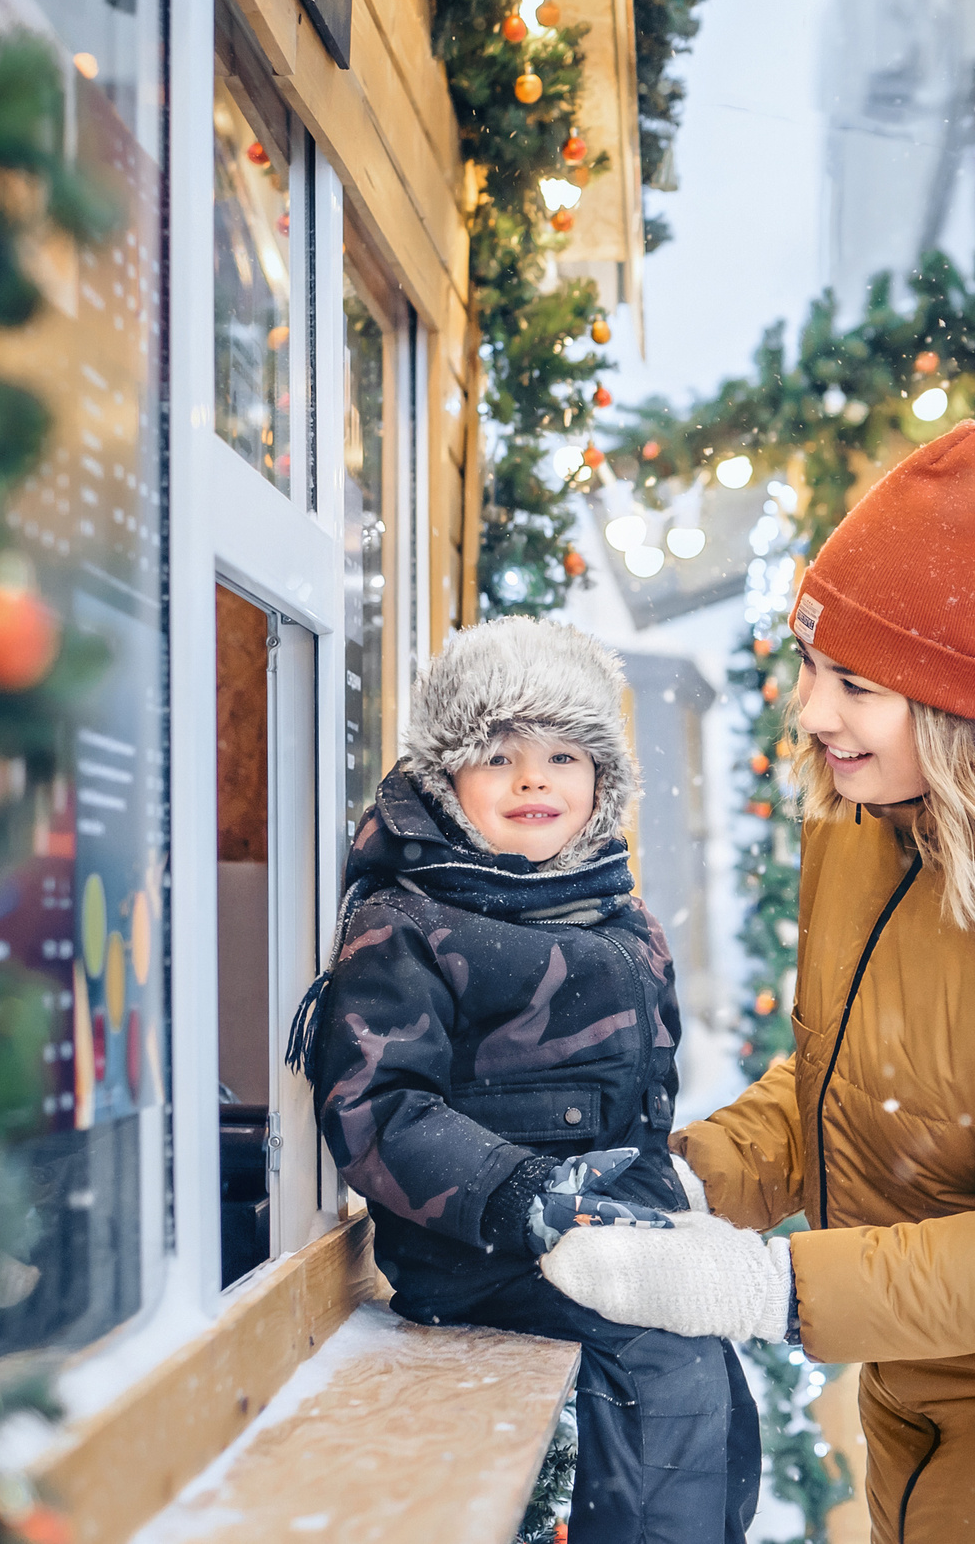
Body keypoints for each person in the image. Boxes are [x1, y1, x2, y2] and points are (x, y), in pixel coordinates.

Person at [540, 422, 975, 1544]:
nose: (814, 712)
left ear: (958, 699)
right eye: (811, 665)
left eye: (857, 683)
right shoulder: (875, 824)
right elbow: (842, 1071)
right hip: (921, 1396)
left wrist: (766, 1288)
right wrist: (686, 1181)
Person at [286, 616, 759, 1544]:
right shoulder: (409, 921)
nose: (534, 778)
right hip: (478, 1244)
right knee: (664, 1365)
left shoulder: (621, 915)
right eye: (498, 754)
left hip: (600, 1221)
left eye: (564, 754)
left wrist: (667, 1207)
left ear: (602, 780)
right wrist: (519, 1193)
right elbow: (379, 1106)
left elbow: (644, 1094)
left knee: (713, 1369)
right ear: (447, 779)